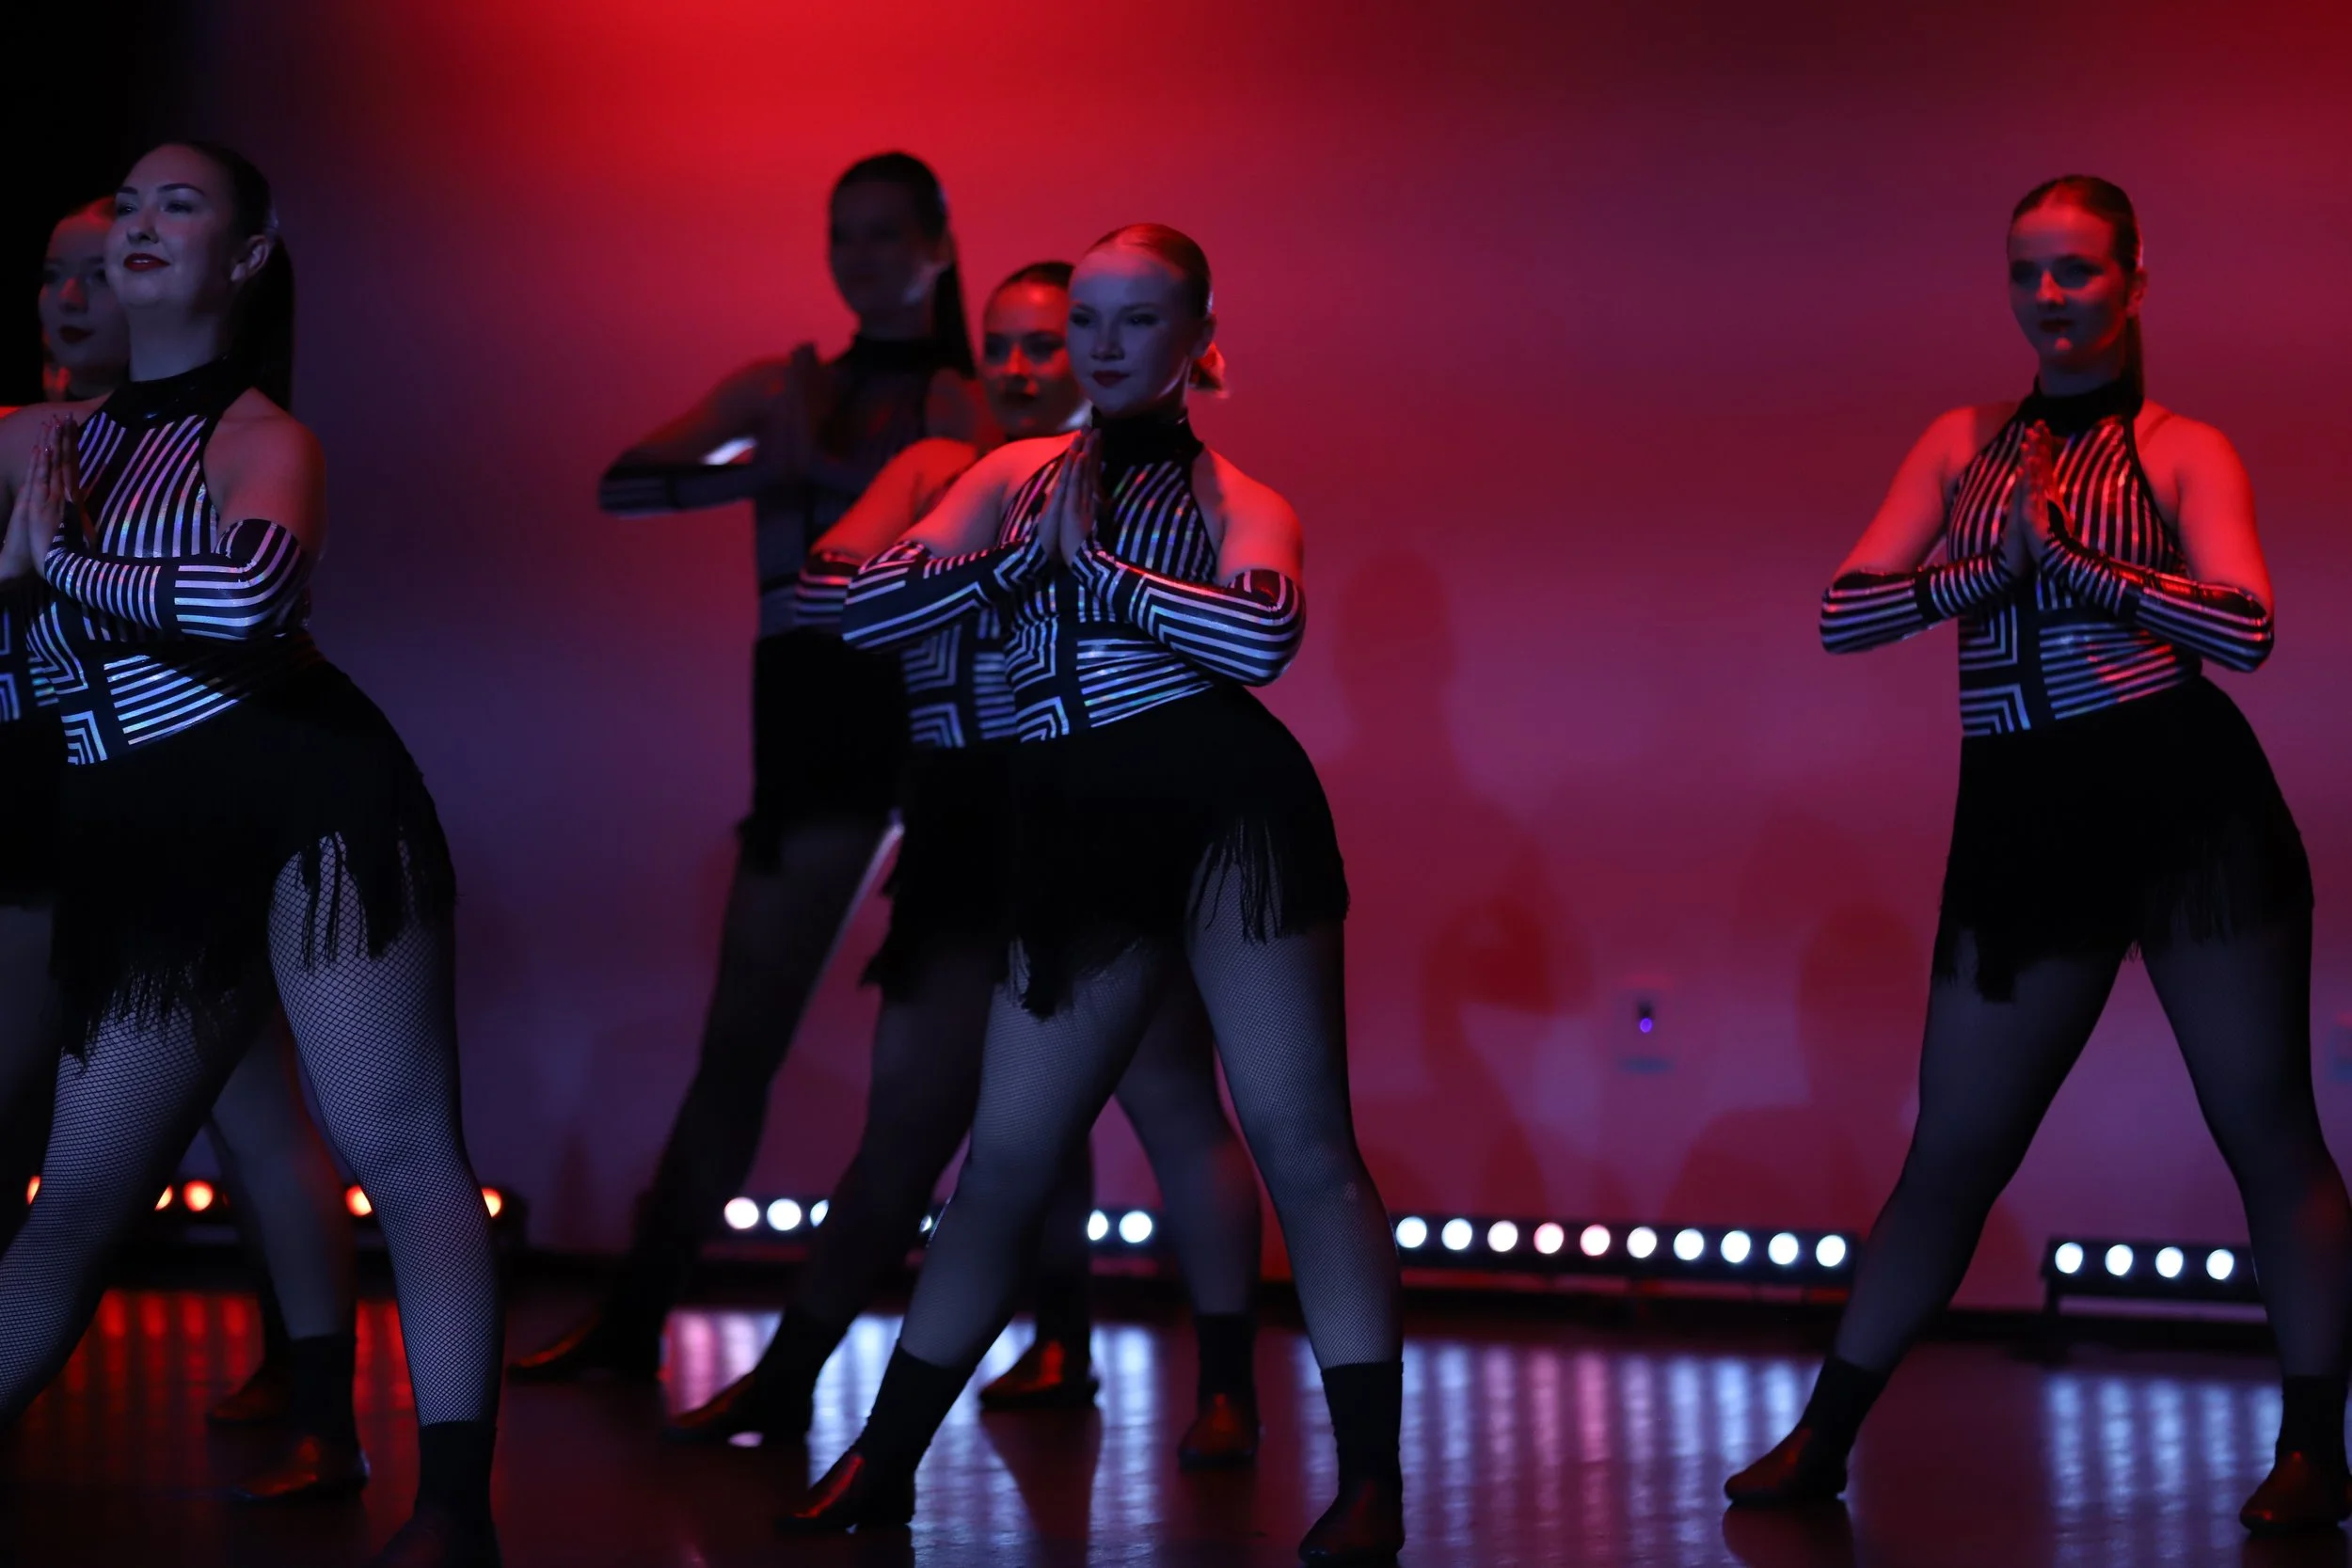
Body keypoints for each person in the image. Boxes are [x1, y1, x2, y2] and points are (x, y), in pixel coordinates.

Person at [1727, 176, 2352, 1537]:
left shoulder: (2188, 448)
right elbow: (1844, 610)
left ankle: (2315, 1437)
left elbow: (2244, 629)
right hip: (2023, 810)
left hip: (2185, 800)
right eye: (2029, 273)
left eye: (2077, 271)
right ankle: (1825, 1433)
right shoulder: (1963, 443)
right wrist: (1981, 577)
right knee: (1953, 1144)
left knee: (2265, 1124)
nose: (2051, 296)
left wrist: (2085, 571)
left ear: (2134, 279)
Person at [788, 225, 1405, 1564]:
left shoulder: (1245, 493)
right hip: (1076, 823)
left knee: (1303, 1136)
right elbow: (854, 608)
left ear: (1199, 340)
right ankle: (885, 1460)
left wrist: (1103, 571)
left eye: (1140, 322)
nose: (1105, 346)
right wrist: (1023, 561)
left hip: (1231, 809)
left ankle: (1369, 1480)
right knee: (1007, 1149)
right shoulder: (1009, 477)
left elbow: (1265, 635)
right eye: (1092, 322)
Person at [665, 262, 1264, 1466]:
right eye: (1006, 344)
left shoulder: (1150, 480)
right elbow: (830, 585)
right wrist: (968, 577)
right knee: (917, 1121)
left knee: (1170, 1100)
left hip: (1108, 811)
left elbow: (1232, 628)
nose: (1026, 366)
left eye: (1049, 342)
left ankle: (1222, 1384)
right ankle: (795, 1375)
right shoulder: (947, 474)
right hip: (966, 815)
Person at [0, 142, 501, 1568]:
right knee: (76, 1201)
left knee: (399, 1147)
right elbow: (44, 691)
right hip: (146, 841)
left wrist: (62, 571)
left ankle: (456, 1511)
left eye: (183, 203)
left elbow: (244, 600)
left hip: (308, 811)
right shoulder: (44, 449)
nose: (140, 220)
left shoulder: (261, 432)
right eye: (130, 200)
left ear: (249, 257)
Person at [513, 151, 986, 1384]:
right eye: (844, 233)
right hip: (819, 727)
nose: (859, 254)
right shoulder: (785, 388)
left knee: (972, 1053)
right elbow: (624, 481)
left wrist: (788, 472)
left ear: (936, 240)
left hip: (925, 728)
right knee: (744, 1040)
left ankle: (1061, 1339)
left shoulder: (957, 398)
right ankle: (636, 1317)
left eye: (883, 233)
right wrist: (760, 464)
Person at [2, 197, 361, 1504]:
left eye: (105, 268)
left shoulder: (219, 442)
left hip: (151, 812)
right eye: (56, 273)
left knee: (253, 1110)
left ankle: (323, 1398)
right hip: (43, 805)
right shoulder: (32, 438)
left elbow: (244, 619)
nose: (75, 293)